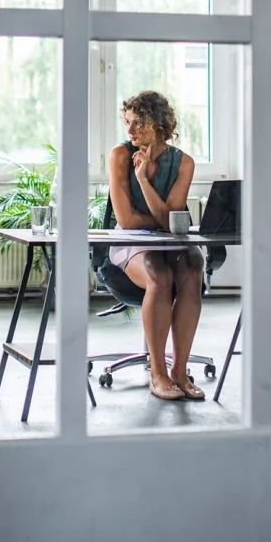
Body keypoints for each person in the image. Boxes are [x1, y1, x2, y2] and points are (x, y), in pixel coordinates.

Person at [106, 90, 203, 401]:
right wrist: (161, 218)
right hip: (128, 245)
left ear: (159, 126)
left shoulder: (183, 163)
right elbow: (127, 220)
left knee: (194, 265)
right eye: (128, 123)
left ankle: (180, 370)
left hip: (170, 245)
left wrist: (145, 182)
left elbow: (169, 222)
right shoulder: (120, 156)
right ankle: (158, 373)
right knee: (158, 273)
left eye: (138, 123)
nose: (130, 131)